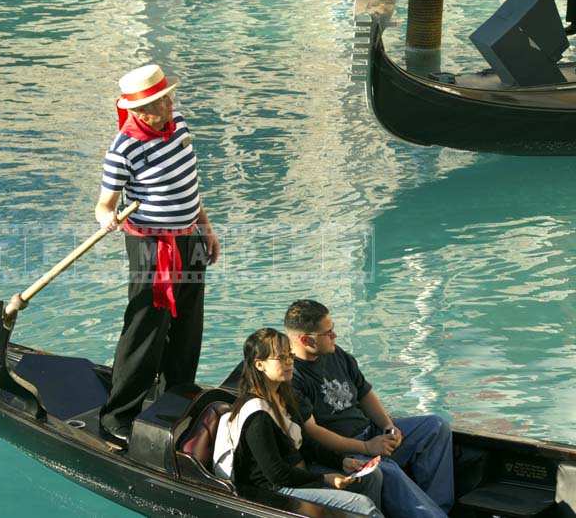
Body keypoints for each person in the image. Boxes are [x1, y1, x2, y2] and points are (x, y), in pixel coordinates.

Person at [94, 64, 221, 443]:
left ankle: (175, 403)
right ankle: (118, 416)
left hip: (191, 239)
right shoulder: (123, 149)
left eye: (166, 96)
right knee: (146, 329)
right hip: (152, 245)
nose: (169, 104)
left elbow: (190, 185)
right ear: (138, 111)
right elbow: (104, 204)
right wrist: (107, 219)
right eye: (158, 102)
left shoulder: (178, 123)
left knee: (188, 327)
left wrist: (206, 229)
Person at [283, 300, 454, 518]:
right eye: (328, 333)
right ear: (306, 339)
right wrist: (366, 447)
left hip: (370, 434)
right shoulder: (292, 376)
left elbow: (364, 393)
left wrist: (388, 426)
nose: (335, 336)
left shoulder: (335, 354)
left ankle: (439, 510)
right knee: (387, 470)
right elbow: (313, 433)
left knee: (435, 427)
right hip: (342, 450)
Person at [213, 328, 384, 517]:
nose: (289, 363)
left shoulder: (284, 396)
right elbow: (276, 474)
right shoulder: (257, 415)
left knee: (372, 477)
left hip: (299, 473)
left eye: (290, 357)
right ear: (260, 364)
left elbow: (306, 443)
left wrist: (341, 461)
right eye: (281, 358)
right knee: (363, 506)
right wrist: (325, 479)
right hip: (275, 490)